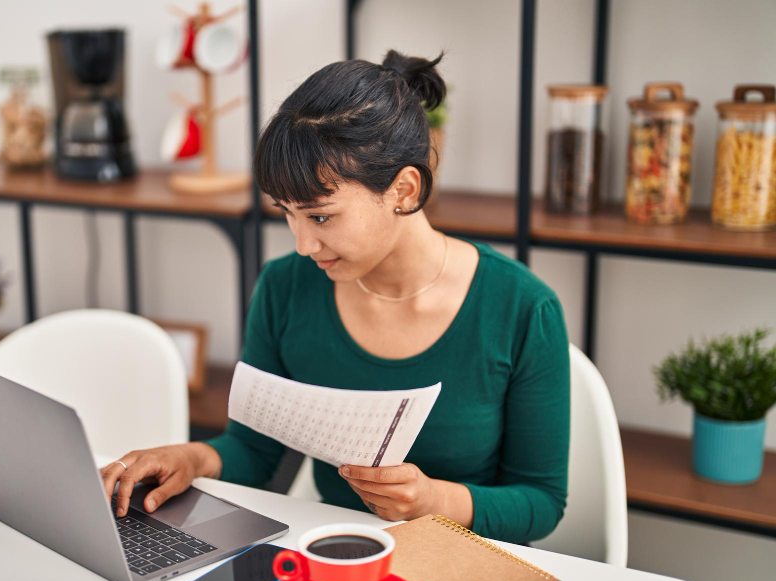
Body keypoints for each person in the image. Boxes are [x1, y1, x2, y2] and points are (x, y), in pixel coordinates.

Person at [101, 50, 569, 545]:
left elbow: (541, 501)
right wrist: (191, 459)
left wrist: (435, 502)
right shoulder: (286, 288)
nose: (303, 245)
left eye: (321, 217)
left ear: (404, 191)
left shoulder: (521, 308)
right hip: (336, 557)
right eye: (287, 213)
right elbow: (256, 454)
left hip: (470, 565)